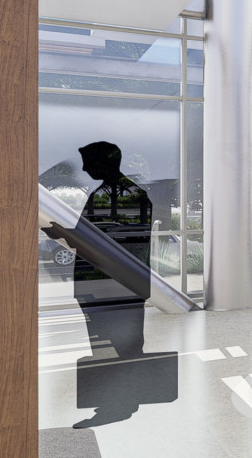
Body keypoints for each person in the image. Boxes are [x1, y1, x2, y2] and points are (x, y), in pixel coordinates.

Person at [72, 141, 175, 428]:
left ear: (105, 162)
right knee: (108, 344)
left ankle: (119, 403)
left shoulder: (127, 195)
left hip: (115, 285)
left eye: (88, 161)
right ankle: (118, 399)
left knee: (119, 344)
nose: (84, 168)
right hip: (103, 285)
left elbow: (121, 241)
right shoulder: (108, 193)